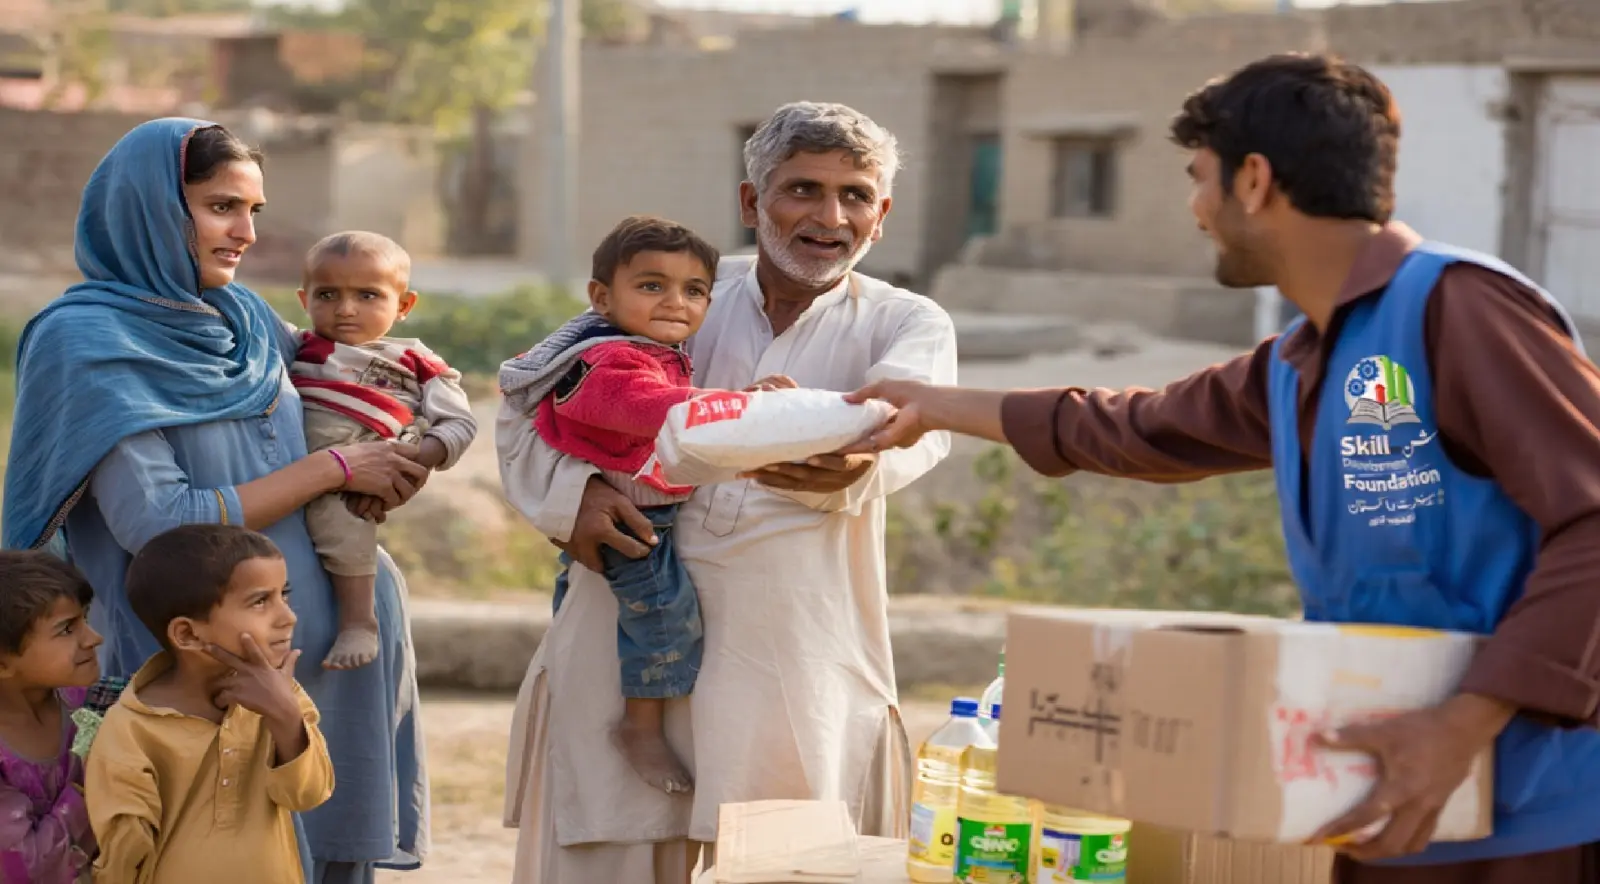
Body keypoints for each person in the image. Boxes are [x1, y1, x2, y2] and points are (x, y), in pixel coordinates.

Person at [846, 53, 1600, 884]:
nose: (1195, 208)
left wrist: (1463, 722)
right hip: (1393, 807)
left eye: (1197, 177)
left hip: (1530, 816)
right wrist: (931, 404)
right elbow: (1133, 427)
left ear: (1253, 180)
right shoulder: (1296, 362)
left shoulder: (1459, 309)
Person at [498, 101, 958, 883]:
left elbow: (917, 426)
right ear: (752, 203)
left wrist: (859, 464)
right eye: (802, 190)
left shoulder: (905, 322)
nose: (829, 216)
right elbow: (527, 403)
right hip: (624, 626)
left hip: (791, 649)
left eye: (854, 196)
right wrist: (572, 495)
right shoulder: (674, 291)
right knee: (607, 851)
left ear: (880, 216)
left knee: (788, 858)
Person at [2, 118, 431, 883]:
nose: (245, 232)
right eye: (221, 206)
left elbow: (355, 402)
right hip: (206, 676)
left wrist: (403, 452)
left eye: (254, 211)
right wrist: (336, 468)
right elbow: (160, 521)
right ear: (153, 207)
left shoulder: (248, 322)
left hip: (327, 656)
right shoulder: (88, 341)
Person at [502, 215, 797, 796]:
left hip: (641, 510)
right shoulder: (608, 359)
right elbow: (643, 408)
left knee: (619, 617)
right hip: (634, 519)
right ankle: (640, 728)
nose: (675, 302)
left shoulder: (648, 350)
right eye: (651, 285)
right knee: (668, 619)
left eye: (693, 291)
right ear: (601, 297)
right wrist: (737, 405)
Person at [87, 524, 334, 883]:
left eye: (285, 595)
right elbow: (124, 855)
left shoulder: (285, 697)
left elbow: (307, 794)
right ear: (187, 634)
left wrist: (285, 717)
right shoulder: (132, 729)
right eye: (261, 601)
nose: (288, 616)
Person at [289, 231, 478, 671]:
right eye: (328, 294)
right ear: (305, 299)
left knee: (340, 521)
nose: (346, 309)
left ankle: (359, 620)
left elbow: (460, 423)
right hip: (302, 463)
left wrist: (414, 462)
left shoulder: (416, 362)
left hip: (369, 459)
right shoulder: (296, 349)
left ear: (405, 305)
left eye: (368, 295)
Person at [0, 552, 109, 882]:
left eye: (85, 618)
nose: (94, 638)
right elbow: (27, 868)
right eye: (67, 629)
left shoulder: (86, 703)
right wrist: (97, 775)